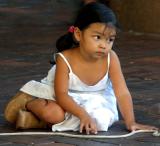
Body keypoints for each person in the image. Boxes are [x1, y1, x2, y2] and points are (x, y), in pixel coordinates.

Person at [4, 2, 157, 134]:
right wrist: (83, 115)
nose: (104, 45)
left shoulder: (111, 57)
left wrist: (131, 122)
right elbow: (62, 95)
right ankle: (28, 102)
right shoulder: (65, 58)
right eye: (97, 37)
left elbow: (122, 92)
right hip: (62, 96)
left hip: (95, 99)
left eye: (110, 39)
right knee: (54, 114)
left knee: (100, 121)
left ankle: (35, 121)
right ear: (78, 34)